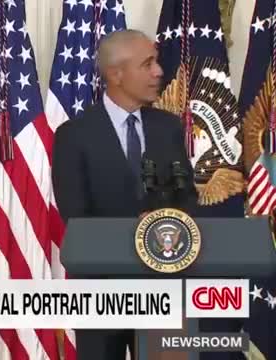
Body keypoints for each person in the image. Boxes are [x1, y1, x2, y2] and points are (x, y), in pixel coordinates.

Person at [52, 29, 197, 360]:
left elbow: (187, 198)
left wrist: (166, 226)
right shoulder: (74, 136)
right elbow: (76, 218)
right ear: (116, 74)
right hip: (102, 294)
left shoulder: (168, 127)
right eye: (148, 64)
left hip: (165, 290)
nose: (159, 72)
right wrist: (140, 233)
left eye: (156, 62)